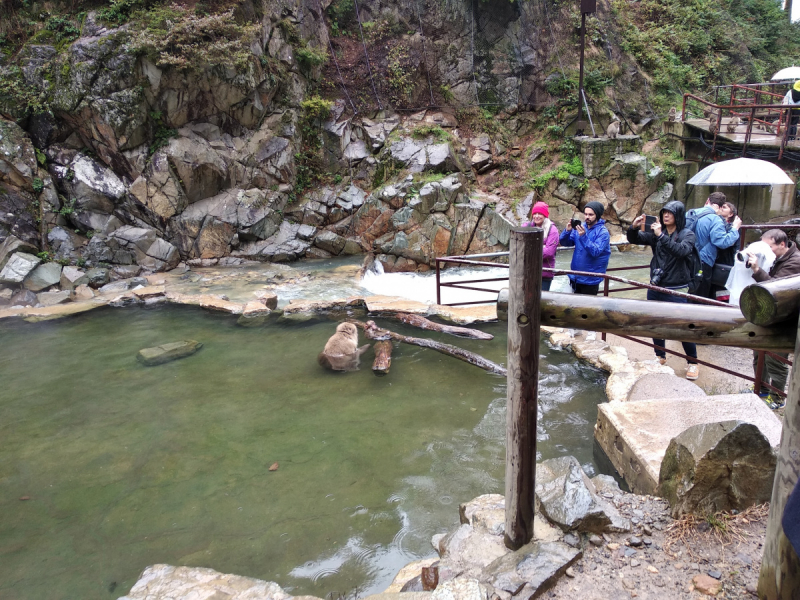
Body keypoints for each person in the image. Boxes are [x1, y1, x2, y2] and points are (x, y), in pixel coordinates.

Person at [627, 200, 700, 380]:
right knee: (654, 323)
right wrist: (633, 228)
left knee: (682, 326)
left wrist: (660, 236)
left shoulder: (687, 234)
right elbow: (635, 239)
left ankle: (693, 362)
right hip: (656, 285)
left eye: (670, 213)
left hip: (677, 287)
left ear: (679, 215)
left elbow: (681, 251)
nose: (666, 215)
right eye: (664, 212)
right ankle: (660, 356)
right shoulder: (656, 233)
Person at [746, 229, 800, 407]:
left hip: (785, 319)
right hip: (770, 316)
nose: (765, 250)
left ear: (782, 244)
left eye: (768, 247)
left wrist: (756, 269)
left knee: (775, 359)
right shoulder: (778, 257)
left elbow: (775, 290)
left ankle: (777, 398)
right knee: (758, 353)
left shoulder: (795, 262)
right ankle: (760, 389)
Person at [686, 192, 742, 299]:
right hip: (703, 260)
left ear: (707, 200)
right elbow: (721, 242)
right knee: (700, 296)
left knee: (686, 290)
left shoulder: (691, 213)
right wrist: (735, 229)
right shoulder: (715, 219)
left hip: (686, 256)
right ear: (720, 207)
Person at [558, 201, 611, 295]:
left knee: (586, 308)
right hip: (575, 277)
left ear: (597, 215)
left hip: (590, 279)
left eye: (591, 214)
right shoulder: (581, 227)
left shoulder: (603, 232)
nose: (587, 217)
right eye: (585, 214)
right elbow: (565, 242)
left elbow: (595, 251)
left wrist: (583, 237)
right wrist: (567, 231)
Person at [522, 201, 559, 291]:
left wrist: (530, 251)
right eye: (535, 213)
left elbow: (549, 252)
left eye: (540, 214)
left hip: (544, 272)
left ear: (545, 215)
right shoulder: (526, 226)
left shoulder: (552, 230)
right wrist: (541, 247)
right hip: (528, 271)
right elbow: (520, 245)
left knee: (542, 300)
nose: (537, 216)